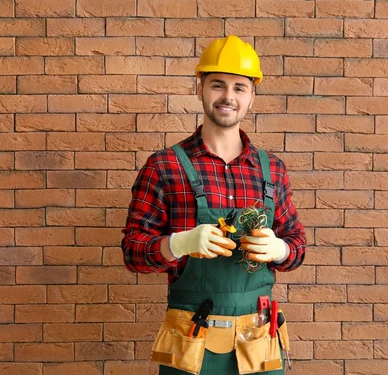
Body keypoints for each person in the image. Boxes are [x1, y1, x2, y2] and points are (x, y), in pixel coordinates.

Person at [121, 35, 306, 375]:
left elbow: (297, 247)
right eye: (218, 85)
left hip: (259, 342)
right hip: (191, 342)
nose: (228, 97)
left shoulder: (272, 170)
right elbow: (133, 252)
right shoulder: (165, 166)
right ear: (200, 87)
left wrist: (279, 249)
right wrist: (179, 243)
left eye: (239, 87)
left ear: (252, 95)